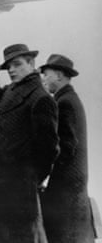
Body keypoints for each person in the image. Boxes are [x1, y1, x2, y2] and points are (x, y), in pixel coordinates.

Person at [0, 43, 59, 242]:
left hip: (19, 186)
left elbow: (49, 148)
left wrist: (31, 179)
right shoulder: (13, 90)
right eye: (8, 67)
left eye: (16, 64)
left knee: (19, 236)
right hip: (2, 182)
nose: (11, 70)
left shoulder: (40, 98)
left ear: (31, 63)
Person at [40, 54, 95, 243]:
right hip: (72, 187)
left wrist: (44, 171)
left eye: (46, 75)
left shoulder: (64, 103)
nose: (43, 79)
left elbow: (66, 147)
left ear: (59, 75)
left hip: (66, 189)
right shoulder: (70, 99)